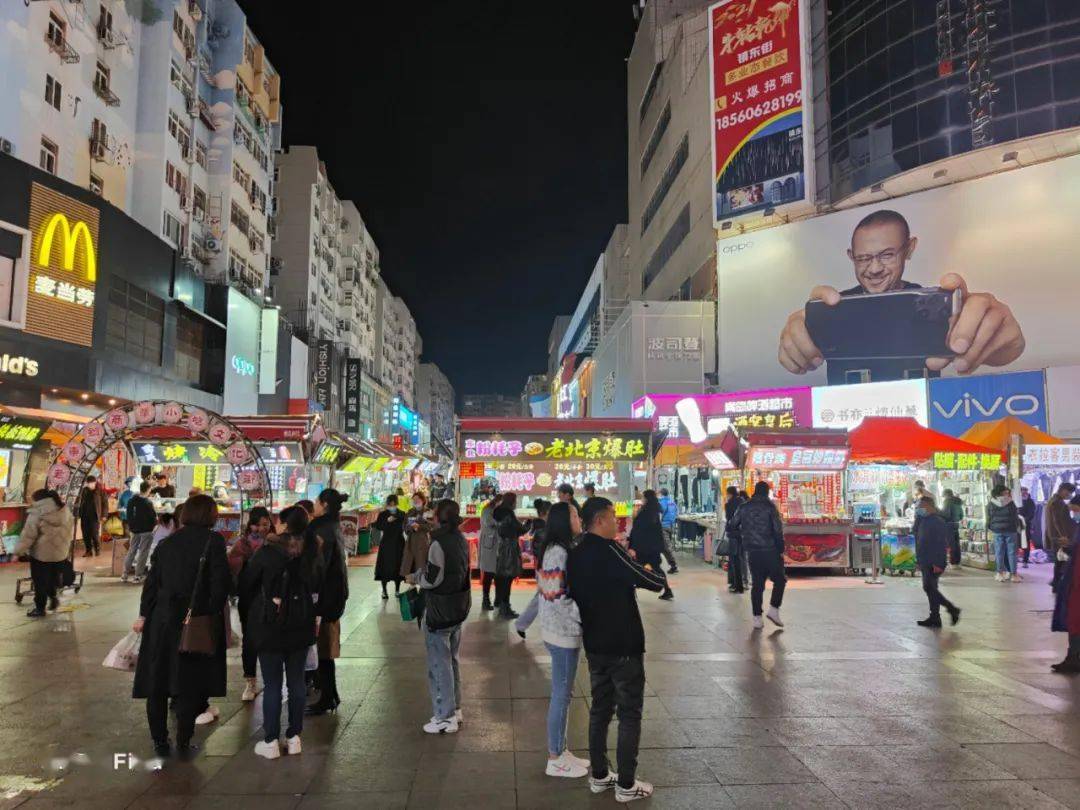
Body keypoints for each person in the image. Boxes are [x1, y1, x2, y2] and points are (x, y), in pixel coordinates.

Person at [778, 208, 1025, 381]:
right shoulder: (833, 309)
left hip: (919, 431)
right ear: (850, 257)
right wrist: (797, 341)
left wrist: (1005, 339)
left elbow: (1002, 350)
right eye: (863, 258)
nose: (874, 268)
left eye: (887, 255)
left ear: (909, 249)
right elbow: (799, 358)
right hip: (849, 432)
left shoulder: (932, 306)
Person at [567, 497, 666, 802]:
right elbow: (652, 581)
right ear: (598, 521)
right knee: (629, 714)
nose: (617, 523)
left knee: (599, 710)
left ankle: (599, 776)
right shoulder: (609, 550)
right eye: (612, 517)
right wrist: (653, 571)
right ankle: (625, 784)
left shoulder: (576, 553)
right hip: (623, 644)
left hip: (595, 644)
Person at [132, 495, 229, 759]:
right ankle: (184, 741)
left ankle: (159, 742)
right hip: (194, 622)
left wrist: (144, 616)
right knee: (189, 682)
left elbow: (151, 585)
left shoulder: (166, 543)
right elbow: (221, 586)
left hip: (161, 621)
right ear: (210, 515)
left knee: (157, 682)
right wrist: (209, 613)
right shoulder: (214, 542)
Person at [241, 507, 323, 759]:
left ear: (284, 524)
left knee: (273, 683)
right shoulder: (314, 552)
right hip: (301, 624)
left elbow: (245, 584)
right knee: (297, 681)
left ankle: (271, 741)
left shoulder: (267, 552)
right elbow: (319, 585)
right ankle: (295, 737)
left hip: (270, 625)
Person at [408, 499, 472, 734]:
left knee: (439, 663)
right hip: (458, 606)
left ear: (437, 517)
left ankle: (444, 717)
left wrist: (415, 577)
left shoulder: (438, 544)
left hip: (439, 610)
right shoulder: (461, 539)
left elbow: (432, 578)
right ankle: (455, 709)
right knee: (452, 659)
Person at [535, 500, 590, 777]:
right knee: (561, 695)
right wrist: (584, 615)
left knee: (563, 694)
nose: (579, 518)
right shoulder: (558, 552)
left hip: (558, 630)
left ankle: (561, 749)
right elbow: (556, 595)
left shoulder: (556, 549)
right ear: (563, 521)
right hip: (562, 632)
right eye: (575, 515)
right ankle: (555, 757)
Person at [307, 489, 350, 716]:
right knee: (325, 648)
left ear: (324, 504)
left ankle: (327, 697)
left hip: (324, 596)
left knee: (323, 648)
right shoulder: (332, 525)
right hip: (335, 594)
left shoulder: (321, 529)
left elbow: (318, 567)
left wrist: (310, 592)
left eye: (316, 501)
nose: (314, 504)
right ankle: (330, 694)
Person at [729, 481, 786, 629]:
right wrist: (781, 549)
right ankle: (774, 609)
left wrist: (743, 535)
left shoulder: (743, 507)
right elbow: (778, 530)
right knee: (780, 580)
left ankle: (757, 618)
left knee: (757, 584)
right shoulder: (770, 507)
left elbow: (731, 526)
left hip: (752, 551)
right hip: (770, 549)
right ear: (767, 492)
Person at [229, 506, 271, 702]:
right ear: (251, 525)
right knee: (250, 640)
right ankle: (250, 681)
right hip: (249, 598)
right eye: (258, 524)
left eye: (266, 524)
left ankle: (272, 679)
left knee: (270, 638)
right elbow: (233, 568)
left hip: (271, 598)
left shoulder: (275, 543)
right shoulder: (242, 545)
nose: (262, 528)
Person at [15, 489, 72, 617]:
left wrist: (18, 551)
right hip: (60, 553)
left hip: (41, 554)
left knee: (40, 582)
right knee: (52, 578)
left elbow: (28, 535)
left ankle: (40, 608)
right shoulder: (65, 511)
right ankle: (53, 597)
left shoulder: (37, 513)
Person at [914, 495, 961, 628]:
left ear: (928, 507)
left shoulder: (938, 522)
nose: (918, 509)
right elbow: (918, 537)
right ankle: (935, 616)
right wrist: (919, 560)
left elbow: (942, 544)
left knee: (929, 587)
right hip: (924, 558)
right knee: (930, 588)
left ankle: (951, 609)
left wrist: (939, 563)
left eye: (920, 507)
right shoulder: (923, 520)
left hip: (933, 560)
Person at [515, 499, 551, 639]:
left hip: (543, 569)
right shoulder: (543, 531)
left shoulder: (541, 528)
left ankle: (522, 624)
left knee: (541, 598)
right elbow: (541, 553)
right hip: (545, 570)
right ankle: (521, 624)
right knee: (540, 598)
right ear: (545, 513)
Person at [629, 490, 674, 601]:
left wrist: (633, 544)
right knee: (653, 567)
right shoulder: (653, 511)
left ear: (647, 498)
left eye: (643, 497)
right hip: (651, 546)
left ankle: (665, 589)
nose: (642, 499)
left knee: (641, 566)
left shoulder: (646, 512)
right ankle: (666, 590)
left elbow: (639, 530)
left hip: (645, 547)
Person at [1050, 528, 1079, 673]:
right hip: (1073, 582)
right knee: (1074, 621)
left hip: (1076, 584)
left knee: (1075, 620)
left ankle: (1074, 658)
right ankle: (1073, 657)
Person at [493, 492, 526, 619]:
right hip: (510, 547)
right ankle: (505, 607)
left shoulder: (497, 511)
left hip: (499, 546)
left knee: (500, 576)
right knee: (508, 577)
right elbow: (520, 530)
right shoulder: (509, 513)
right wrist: (528, 524)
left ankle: (499, 601)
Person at [122, 482, 157, 583]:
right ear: (148, 489)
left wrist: (132, 527)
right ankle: (138, 575)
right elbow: (153, 517)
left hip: (134, 530)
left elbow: (128, 515)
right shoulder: (148, 502)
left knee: (132, 550)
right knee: (143, 552)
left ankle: (124, 574)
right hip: (146, 530)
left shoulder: (131, 500)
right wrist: (154, 525)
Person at [373, 494, 406, 600]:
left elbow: (406, 526)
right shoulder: (383, 514)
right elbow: (378, 526)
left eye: (393, 504)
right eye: (390, 504)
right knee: (385, 566)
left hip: (399, 543)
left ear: (396, 504)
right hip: (386, 543)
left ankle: (397, 589)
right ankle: (384, 590)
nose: (392, 506)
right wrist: (387, 521)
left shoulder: (402, 514)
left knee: (398, 566)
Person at [1046, 483, 1077, 593]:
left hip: (1056, 536)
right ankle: (1057, 584)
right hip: (1060, 537)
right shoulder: (1057, 503)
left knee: (1060, 561)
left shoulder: (1053, 501)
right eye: (1069, 492)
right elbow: (1057, 521)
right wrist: (1063, 536)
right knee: (1062, 562)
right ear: (1063, 490)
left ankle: (1056, 583)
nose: (1070, 495)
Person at [987, 484, 1022, 583]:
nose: (1007, 492)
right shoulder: (1010, 502)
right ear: (1002, 492)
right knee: (1012, 553)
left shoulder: (991, 503)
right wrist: (1016, 527)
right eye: (1005, 491)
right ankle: (1013, 575)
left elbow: (989, 517)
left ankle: (1000, 573)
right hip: (1010, 530)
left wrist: (991, 527)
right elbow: (1015, 517)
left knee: (999, 552)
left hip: (997, 531)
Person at [400, 492, 434, 580]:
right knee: (409, 563)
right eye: (413, 500)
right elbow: (404, 526)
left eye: (417, 499)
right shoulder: (410, 512)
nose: (415, 501)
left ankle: (423, 582)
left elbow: (431, 526)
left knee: (422, 562)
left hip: (423, 540)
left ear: (423, 500)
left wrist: (420, 526)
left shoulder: (428, 512)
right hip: (411, 541)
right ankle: (412, 584)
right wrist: (410, 527)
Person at [478, 493, 503, 611]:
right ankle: (485, 600)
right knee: (488, 573)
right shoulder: (488, 510)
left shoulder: (496, 510)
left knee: (497, 573)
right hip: (488, 544)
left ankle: (497, 600)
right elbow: (489, 522)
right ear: (498, 501)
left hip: (495, 545)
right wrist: (502, 523)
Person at [723, 486, 748, 593]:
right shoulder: (744, 503)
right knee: (743, 559)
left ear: (730, 494)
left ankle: (737, 585)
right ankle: (744, 581)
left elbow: (730, 519)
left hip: (733, 535)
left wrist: (729, 527)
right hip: (744, 535)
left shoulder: (729, 504)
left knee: (734, 560)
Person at [77, 475, 107, 557]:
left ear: (95, 482)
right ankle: (88, 551)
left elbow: (105, 504)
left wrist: (104, 515)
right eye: (88, 483)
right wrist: (78, 513)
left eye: (91, 483)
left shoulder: (100, 491)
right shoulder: (84, 491)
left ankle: (97, 549)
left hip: (95, 516)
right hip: (85, 516)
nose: (90, 484)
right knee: (85, 534)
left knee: (94, 534)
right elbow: (79, 502)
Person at [657, 487, 680, 575]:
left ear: (661, 494)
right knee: (663, 547)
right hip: (671, 526)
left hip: (663, 526)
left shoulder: (662, 502)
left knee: (666, 547)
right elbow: (676, 512)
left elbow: (660, 514)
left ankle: (674, 565)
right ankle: (672, 566)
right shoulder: (672, 502)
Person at [941, 489, 965, 569]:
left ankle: (953, 563)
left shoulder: (947, 501)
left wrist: (939, 513)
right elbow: (962, 515)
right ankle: (957, 562)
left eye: (944, 496)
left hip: (948, 525)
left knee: (951, 544)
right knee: (956, 544)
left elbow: (946, 514)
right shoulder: (958, 502)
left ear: (946, 495)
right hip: (956, 524)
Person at [1019, 486, 1037, 568]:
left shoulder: (1030, 502)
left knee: (1026, 542)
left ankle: (1025, 561)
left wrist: (1024, 520)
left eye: (1025, 490)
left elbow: (1031, 514)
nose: (1024, 492)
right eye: (1022, 490)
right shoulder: (1017, 500)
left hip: (1026, 525)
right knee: (1016, 542)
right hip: (1016, 525)